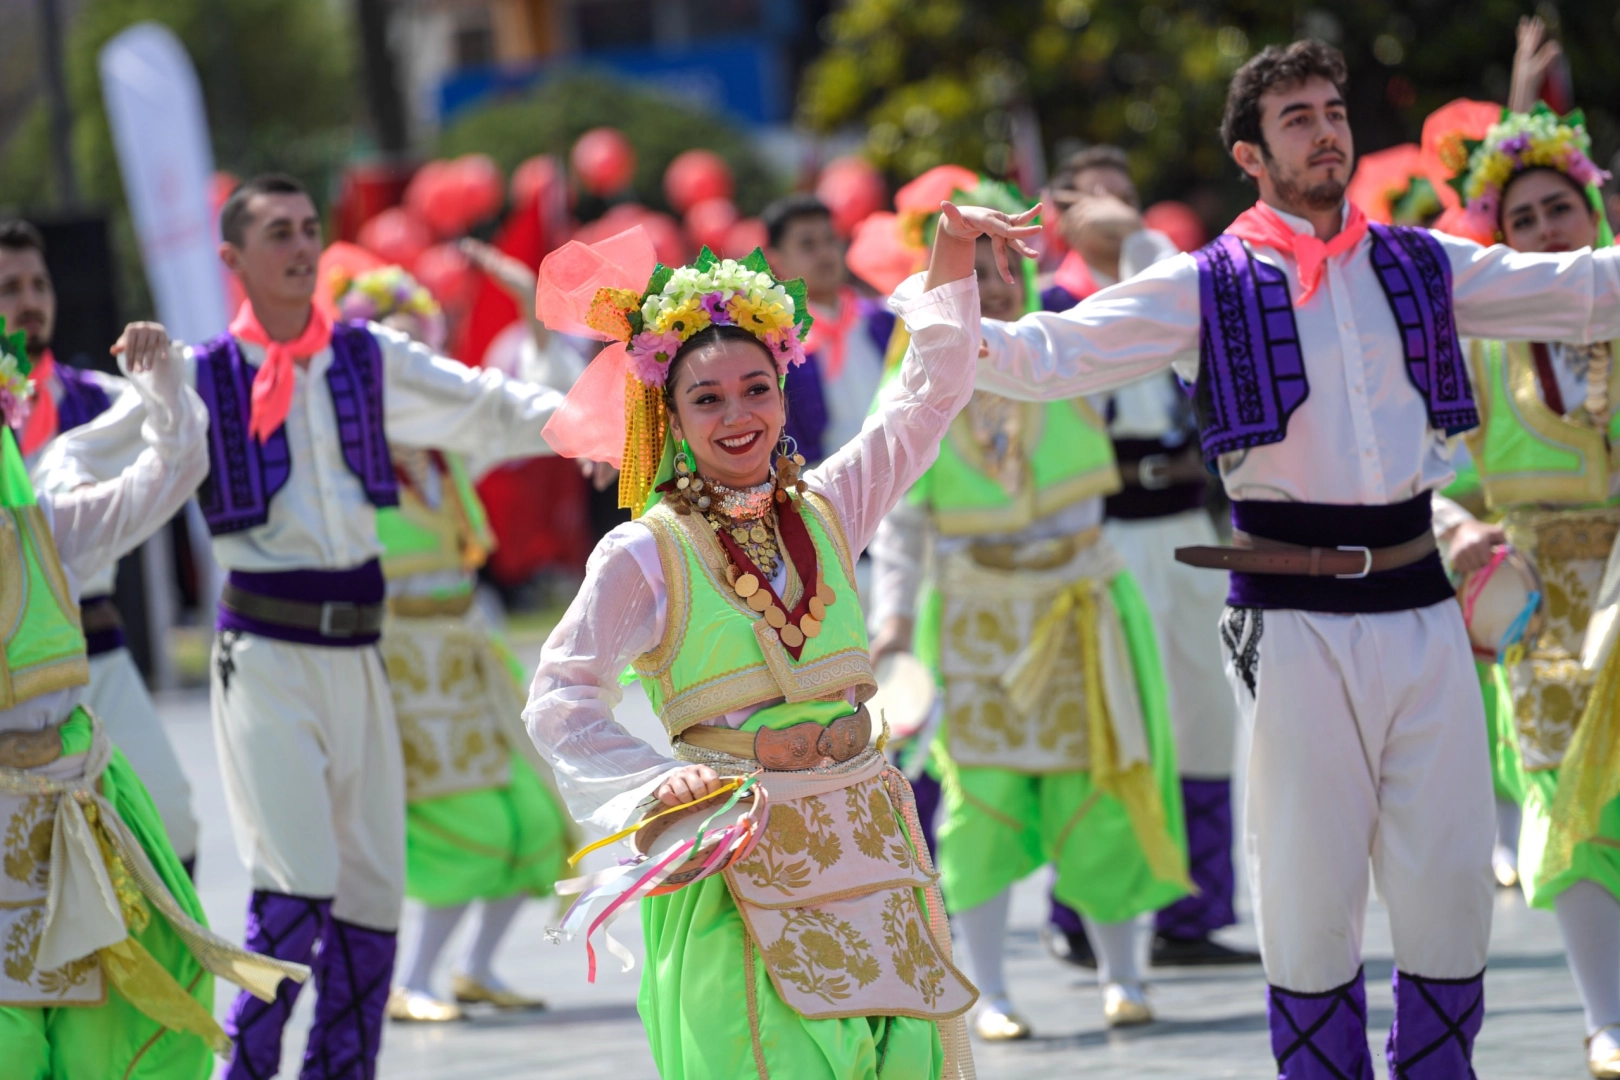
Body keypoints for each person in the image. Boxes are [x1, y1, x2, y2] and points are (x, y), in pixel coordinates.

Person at [941, 38, 1620, 1078]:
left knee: (1447, 887)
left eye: (1332, 108)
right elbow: (1049, 358)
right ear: (1251, 155)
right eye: (1296, 116)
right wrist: (947, 285)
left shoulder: (1419, 261)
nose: (1325, 128)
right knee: (1308, 896)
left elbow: (1580, 290)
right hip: (1291, 614)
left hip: (1423, 597)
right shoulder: (1203, 286)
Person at [65, 173, 569, 1079]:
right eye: (277, 234)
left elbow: (485, 405)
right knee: (294, 883)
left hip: (360, 654)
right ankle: (249, 1072)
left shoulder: (369, 357)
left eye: (308, 229)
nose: (300, 247)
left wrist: (608, 420)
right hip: (267, 654)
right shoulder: (199, 372)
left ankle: (343, 1071)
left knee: (374, 889)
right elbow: (77, 459)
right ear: (234, 259)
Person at [524, 207, 1038, 1078]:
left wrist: (953, 251)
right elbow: (560, 699)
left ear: (783, 391)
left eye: (756, 389)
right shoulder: (647, 552)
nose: (738, 416)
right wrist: (659, 784)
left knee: (906, 1061)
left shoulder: (832, 507)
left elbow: (927, 397)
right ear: (671, 417)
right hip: (739, 856)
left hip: (869, 844)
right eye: (707, 398)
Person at [868, 176, 1190, 1040]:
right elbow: (896, 518)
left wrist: (1126, 230)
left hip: (1081, 603)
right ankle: (993, 992)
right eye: (971, 263)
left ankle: (1124, 975)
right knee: (980, 806)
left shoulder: (1082, 344)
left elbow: (1169, 305)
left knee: (1108, 789)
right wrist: (890, 628)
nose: (992, 280)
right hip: (974, 618)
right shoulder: (918, 371)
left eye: (1002, 261)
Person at [0, 317, 308, 1077]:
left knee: (115, 1019)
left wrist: (165, 388)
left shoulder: (44, 530)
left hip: (72, 811)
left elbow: (170, 474)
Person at [1426, 39, 1620, 1075]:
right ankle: (1606, 1016)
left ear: (1597, 215)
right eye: (1524, 217)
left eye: (1561, 209)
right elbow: (1427, 474)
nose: (1547, 228)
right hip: (1547, 600)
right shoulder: (1481, 343)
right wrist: (1463, 536)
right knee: (1563, 804)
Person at [324, 263, 573, 1023]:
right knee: (454, 827)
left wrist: (536, 317)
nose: (414, 381)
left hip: (468, 655)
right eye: (396, 364)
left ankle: (474, 967)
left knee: (534, 817)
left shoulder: (449, 455)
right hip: (397, 666)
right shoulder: (343, 464)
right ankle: (417, 978)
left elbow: (520, 407)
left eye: (420, 360)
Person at [1039, 148, 1258, 969]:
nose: (1112, 213)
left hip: (1186, 526)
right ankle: (1087, 912)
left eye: (1124, 197)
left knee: (1202, 720)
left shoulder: (1172, 291)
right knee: (1114, 724)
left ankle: (1192, 914)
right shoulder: (1053, 307)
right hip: (1101, 536)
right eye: (1094, 199)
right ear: (1062, 214)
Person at [0, 220, 201, 876]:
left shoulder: (104, 402)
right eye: (9, 287)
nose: (30, 300)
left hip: (95, 653)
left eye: (39, 284)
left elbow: (180, 441)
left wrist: (161, 373)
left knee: (169, 824)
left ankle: (161, 974)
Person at [764, 193, 895, 463]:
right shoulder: (774, 342)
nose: (824, 253)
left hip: (900, 486)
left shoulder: (884, 320)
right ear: (776, 260)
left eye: (830, 240)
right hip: (820, 492)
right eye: (807, 245)